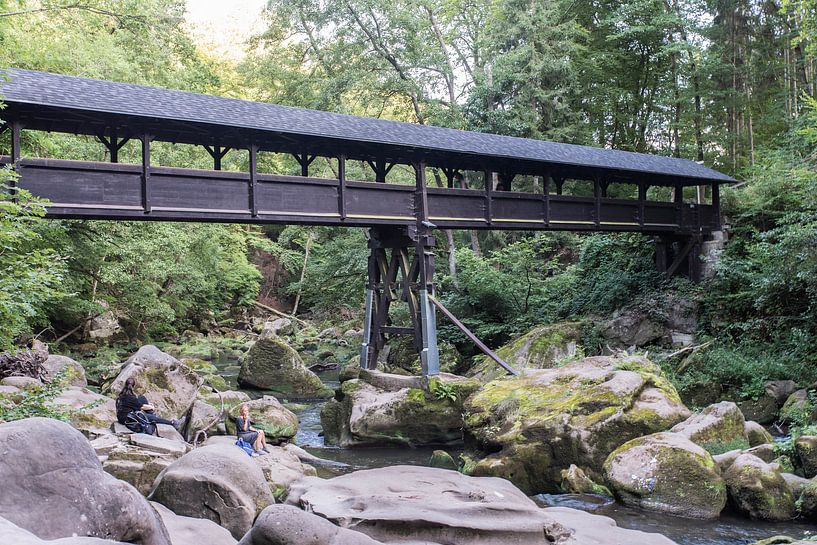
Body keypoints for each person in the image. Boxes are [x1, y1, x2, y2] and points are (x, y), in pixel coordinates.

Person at [116, 377, 184, 434]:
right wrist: (151, 407)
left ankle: (151, 413)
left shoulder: (121, 395)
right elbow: (141, 406)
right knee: (153, 418)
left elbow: (136, 404)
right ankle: (172, 423)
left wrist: (148, 406)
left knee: (141, 398)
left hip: (122, 416)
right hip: (129, 419)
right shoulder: (131, 398)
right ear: (133, 386)